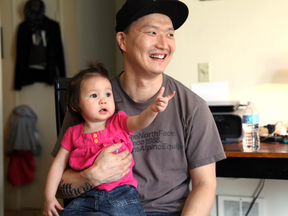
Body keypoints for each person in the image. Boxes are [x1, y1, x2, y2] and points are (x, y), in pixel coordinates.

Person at [51, 0, 226, 215]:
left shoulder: (193, 107)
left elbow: (204, 185)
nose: (163, 44)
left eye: (170, 34)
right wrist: (91, 175)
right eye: (152, 32)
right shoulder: (92, 102)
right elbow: (58, 184)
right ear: (122, 40)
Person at [44, 60, 175, 216]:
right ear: (75, 105)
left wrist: (153, 110)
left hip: (121, 194)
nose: (103, 100)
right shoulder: (72, 134)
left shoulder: (118, 122)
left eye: (108, 94)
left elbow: (139, 121)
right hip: (85, 197)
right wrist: (49, 196)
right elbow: (58, 166)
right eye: (94, 95)